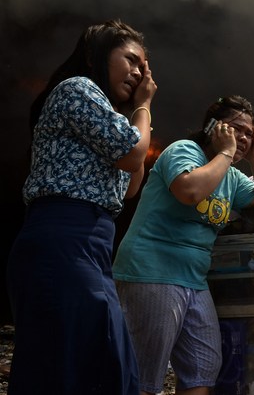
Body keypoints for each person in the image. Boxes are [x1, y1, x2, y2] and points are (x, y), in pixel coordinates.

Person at [7, 19, 157, 394]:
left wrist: (136, 115)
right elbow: (131, 154)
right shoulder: (78, 89)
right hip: (62, 239)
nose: (139, 73)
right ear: (97, 56)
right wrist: (143, 107)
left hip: (91, 246)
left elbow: (130, 186)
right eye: (131, 60)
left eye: (144, 67)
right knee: (70, 363)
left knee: (104, 357)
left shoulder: (109, 119)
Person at [113, 95, 254, 395]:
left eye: (249, 134)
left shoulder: (231, 175)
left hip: (194, 280)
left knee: (203, 369)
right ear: (213, 127)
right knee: (144, 375)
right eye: (236, 129)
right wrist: (226, 153)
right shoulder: (184, 151)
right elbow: (188, 191)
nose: (242, 138)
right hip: (152, 272)